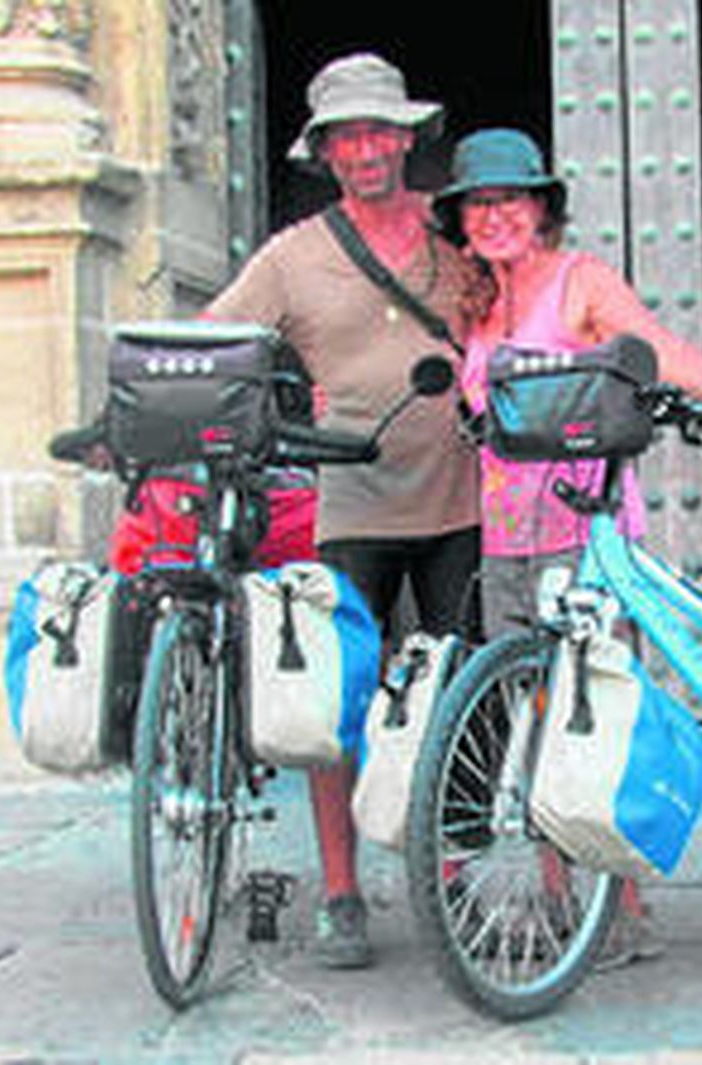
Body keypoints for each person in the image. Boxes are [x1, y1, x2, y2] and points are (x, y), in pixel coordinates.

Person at [433, 128, 702, 968]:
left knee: (594, 722)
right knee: (534, 729)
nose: (495, 216)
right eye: (479, 204)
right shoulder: (476, 307)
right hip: (506, 539)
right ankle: (567, 906)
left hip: (582, 534)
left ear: (541, 209)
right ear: (462, 220)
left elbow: (653, 349)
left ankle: (629, 909)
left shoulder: (580, 282)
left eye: (511, 200)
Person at [203, 52, 481, 969]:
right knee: (336, 702)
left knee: (452, 696)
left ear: (406, 136)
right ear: (325, 151)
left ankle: (443, 873)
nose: (366, 148)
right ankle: (340, 887)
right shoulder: (293, 255)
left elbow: (518, 316)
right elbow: (214, 342)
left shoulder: (456, 238)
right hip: (351, 507)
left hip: (462, 498)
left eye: (379, 129)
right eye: (346, 135)